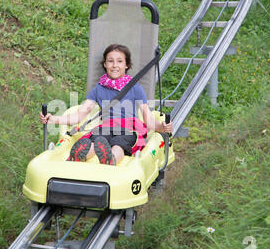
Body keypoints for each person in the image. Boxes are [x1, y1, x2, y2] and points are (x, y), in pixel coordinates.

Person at [40, 44, 173, 165]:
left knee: (120, 144)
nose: (115, 65)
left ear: (126, 65)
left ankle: (111, 159)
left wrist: (162, 127)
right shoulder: (98, 89)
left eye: (119, 61)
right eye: (110, 61)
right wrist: (54, 119)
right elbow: (80, 115)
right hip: (106, 126)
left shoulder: (135, 88)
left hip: (129, 127)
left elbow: (147, 117)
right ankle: (79, 156)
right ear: (105, 64)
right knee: (96, 140)